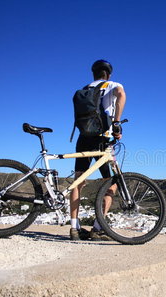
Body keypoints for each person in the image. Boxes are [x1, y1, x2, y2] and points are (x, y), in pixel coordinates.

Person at [70, 59, 126, 241]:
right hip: (102, 139)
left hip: (83, 137)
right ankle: (97, 228)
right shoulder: (112, 84)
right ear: (108, 74)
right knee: (111, 183)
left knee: (78, 181)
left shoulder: (85, 89)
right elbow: (121, 94)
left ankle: (74, 228)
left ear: (93, 74)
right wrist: (116, 123)